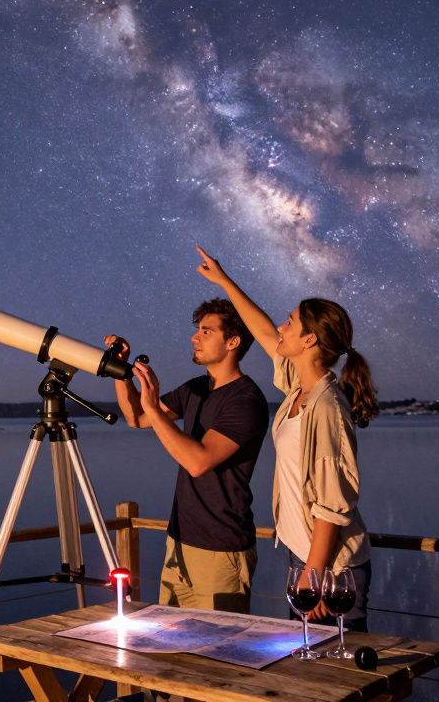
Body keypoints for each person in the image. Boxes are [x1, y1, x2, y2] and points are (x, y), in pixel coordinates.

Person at [193, 245, 377, 631]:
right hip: (303, 555)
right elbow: (262, 330)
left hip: (330, 567)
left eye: (290, 323)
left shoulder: (327, 407)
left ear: (309, 340)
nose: (280, 327)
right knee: (306, 658)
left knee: (335, 664)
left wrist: (314, 574)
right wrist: (224, 281)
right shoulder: (298, 387)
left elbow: (331, 503)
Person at [105, 299, 269, 613]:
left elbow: (198, 462)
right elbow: (137, 418)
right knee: (169, 640)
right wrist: (121, 372)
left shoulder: (245, 401)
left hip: (221, 552)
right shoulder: (196, 389)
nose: (195, 337)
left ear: (232, 342)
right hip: (178, 543)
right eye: (197, 330)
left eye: (206, 331)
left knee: (218, 642)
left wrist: (153, 408)